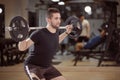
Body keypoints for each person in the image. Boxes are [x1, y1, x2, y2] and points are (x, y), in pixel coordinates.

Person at [18, 8, 73, 80]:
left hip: (47, 66)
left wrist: (66, 33)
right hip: (33, 66)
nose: (59, 21)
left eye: (59, 18)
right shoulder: (39, 33)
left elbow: (55, 40)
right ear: (48, 20)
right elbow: (22, 48)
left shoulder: (56, 32)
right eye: (56, 18)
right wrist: (23, 35)